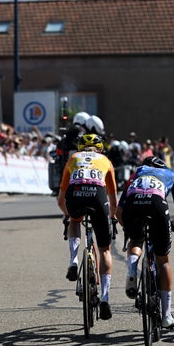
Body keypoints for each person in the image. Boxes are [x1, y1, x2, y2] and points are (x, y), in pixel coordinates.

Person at [116, 156, 174, 329]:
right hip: (157, 205)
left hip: (134, 205)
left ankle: (132, 269)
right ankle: (167, 315)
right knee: (163, 260)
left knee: (136, 241)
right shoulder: (172, 174)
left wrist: (130, 230)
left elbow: (119, 211)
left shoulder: (137, 173)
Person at [57, 133, 118, 320]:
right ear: (100, 148)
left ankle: (73, 260)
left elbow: (60, 199)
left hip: (75, 194)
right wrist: (112, 217)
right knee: (105, 250)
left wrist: (68, 214)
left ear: (80, 149)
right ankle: (105, 298)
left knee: (75, 221)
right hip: (97, 196)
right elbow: (113, 196)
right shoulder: (105, 160)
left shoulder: (73, 158)